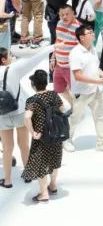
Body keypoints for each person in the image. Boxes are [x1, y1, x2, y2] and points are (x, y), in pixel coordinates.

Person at [0, 45, 51, 187]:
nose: (12, 57)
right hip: (19, 111)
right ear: (3, 60)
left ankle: (7, 180)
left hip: (2, 115)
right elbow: (34, 59)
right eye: (10, 55)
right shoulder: (13, 69)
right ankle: (28, 174)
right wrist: (52, 47)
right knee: (24, 145)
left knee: (7, 148)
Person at [66, 25, 103, 152]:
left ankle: (101, 143)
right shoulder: (75, 53)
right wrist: (97, 81)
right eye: (90, 33)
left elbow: (96, 67)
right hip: (82, 93)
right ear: (82, 37)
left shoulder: (92, 49)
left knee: (100, 116)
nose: (93, 34)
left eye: (92, 32)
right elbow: (78, 76)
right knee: (75, 118)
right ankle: (66, 140)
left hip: (97, 90)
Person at [19, 69, 63, 202]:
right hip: (55, 135)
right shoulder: (54, 95)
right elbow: (62, 110)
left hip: (41, 138)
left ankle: (44, 194)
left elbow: (27, 117)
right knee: (54, 161)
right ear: (45, 83)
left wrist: (33, 132)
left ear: (33, 85)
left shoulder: (32, 100)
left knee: (41, 165)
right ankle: (53, 185)